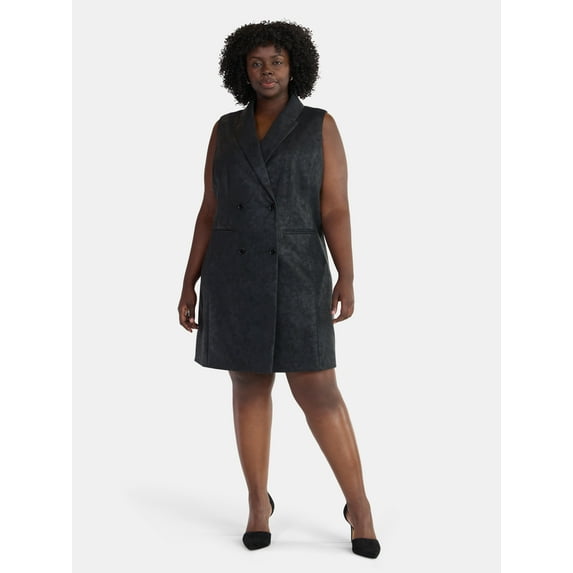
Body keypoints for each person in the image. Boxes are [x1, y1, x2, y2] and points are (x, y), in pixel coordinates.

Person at [177, 20, 380, 559]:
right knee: (248, 386)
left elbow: (335, 208)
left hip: (298, 271)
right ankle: (257, 503)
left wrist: (347, 274)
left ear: (295, 67)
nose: (266, 71)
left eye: (277, 62)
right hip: (233, 274)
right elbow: (209, 210)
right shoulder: (225, 129)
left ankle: (359, 506)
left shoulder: (319, 125)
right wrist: (189, 280)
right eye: (256, 63)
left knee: (318, 390)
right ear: (241, 70)